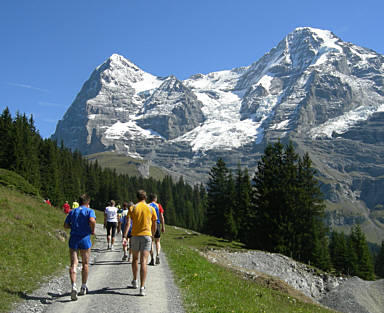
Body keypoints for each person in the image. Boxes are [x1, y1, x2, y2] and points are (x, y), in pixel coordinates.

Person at [123, 190, 157, 296]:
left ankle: (134, 281)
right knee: (144, 261)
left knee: (135, 259)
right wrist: (152, 234)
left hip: (135, 236)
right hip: (147, 235)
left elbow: (128, 223)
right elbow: (154, 224)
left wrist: (124, 236)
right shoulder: (151, 209)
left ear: (137, 197)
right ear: (145, 197)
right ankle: (142, 287)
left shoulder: (132, 208)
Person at [64, 194, 96, 301]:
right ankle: (83, 286)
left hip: (74, 238)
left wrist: (73, 226)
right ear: (87, 202)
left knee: (74, 263)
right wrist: (92, 230)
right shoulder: (89, 211)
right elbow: (92, 220)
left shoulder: (73, 211)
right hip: (85, 238)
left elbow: (66, 225)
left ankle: (73, 286)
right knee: (85, 263)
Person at [148, 194, 165, 266]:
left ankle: (152, 258)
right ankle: (158, 254)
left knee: (151, 242)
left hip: (149, 224)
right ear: (155, 199)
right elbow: (161, 216)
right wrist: (163, 226)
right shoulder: (159, 205)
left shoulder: (147, 205)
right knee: (157, 241)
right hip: (157, 224)